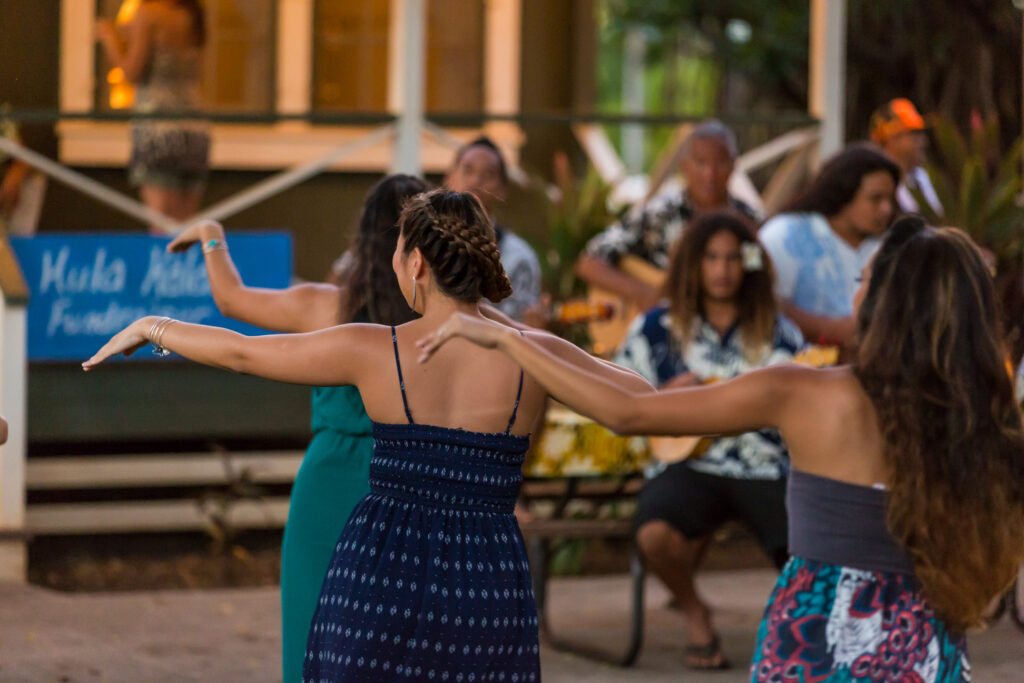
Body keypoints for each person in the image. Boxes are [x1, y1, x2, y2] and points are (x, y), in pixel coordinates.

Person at [419, 215, 1024, 682]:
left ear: (888, 301)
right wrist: (514, 331)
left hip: (815, 633)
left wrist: (506, 339)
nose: (855, 294)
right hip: (924, 638)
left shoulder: (804, 392)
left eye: (863, 281)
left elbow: (630, 412)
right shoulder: (978, 423)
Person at [84, 189, 653, 681]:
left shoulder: (374, 348)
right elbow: (640, 397)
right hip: (486, 581)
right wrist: (496, 322)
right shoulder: (534, 356)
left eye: (399, 250)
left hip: (380, 571)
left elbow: (241, 352)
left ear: (418, 266)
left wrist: (150, 326)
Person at [165, 174, 427, 683]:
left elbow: (232, 299)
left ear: (365, 235)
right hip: (407, 481)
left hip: (327, 483)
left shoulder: (325, 306)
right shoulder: (442, 322)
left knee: (313, 638)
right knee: (399, 644)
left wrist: (212, 233)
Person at [615, 211, 803, 669]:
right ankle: (696, 614)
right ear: (692, 265)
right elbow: (619, 398)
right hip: (688, 464)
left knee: (809, 549)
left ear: (750, 265)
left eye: (734, 258)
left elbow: (803, 405)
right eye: (711, 257)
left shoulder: (780, 330)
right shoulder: (655, 327)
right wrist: (665, 397)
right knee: (654, 535)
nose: (722, 269)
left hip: (762, 464)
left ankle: (805, 636)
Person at [575, 119, 761, 312]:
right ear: (685, 166)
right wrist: (643, 293)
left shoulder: (748, 222)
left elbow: (755, 276)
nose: (710, 174)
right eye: (701, 162)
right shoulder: (658, 214)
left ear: (733, 165)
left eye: (720, 163)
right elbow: (588, 262)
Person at [758, 144, 899, 349]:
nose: (887, 209)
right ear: (843, 194)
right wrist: (835, 330)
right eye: (875, 198)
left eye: (891, 199)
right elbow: (766, 305)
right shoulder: (785, 235)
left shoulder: (893, 244)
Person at [96, 0, 210, 234]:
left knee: (160, 224)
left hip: (158, 126)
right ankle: (185, 270)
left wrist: (109, 38)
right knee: (186, 227)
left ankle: (165, 270)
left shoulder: (148, 13)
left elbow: (132, 72)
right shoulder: (191, 14)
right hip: (195, 128)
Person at [444, 136, 543, 323]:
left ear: (503, 189)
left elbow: (519, 330)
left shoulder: (520, 257)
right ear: (448, 177)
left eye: (488, 174)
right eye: (467, 170)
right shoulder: (424, 243)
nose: (475, 180)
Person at [870, 98, 942, 214]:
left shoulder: (922, 178)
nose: (923, 141)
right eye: (914, 135)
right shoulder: (874, 185)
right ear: (893, 139)